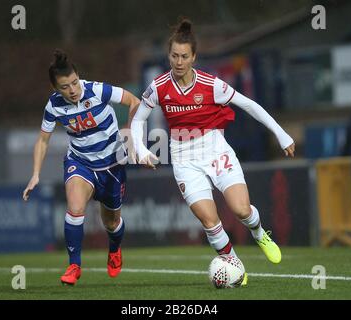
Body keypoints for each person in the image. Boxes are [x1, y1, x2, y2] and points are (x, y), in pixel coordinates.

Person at [131, 19, 295, 284]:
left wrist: (280, 133)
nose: (179, 61)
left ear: (194, 57)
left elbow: (249, 105)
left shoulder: (211, 84)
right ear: (168, 55)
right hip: (184, 157)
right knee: (209, 220)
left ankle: (259, 233)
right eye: (174, 55)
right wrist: (140, 149)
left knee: (241, 211)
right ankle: (234, 264)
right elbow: (138, 119)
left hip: (215, 150)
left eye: (184, 56)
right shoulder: (159, 87)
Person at [23, 50, 140, 285]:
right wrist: (35, 174)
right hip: (80, 162)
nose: (73, 89)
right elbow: (43, 140)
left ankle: (115, 249)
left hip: (112, 164)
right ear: (56, 88)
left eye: (75, 82)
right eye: (65, 86)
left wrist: (130, 134)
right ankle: (74, 265)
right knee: (75, 208)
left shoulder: (97, 90)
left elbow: (134, 101)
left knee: (111, 222)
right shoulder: (53, 106)